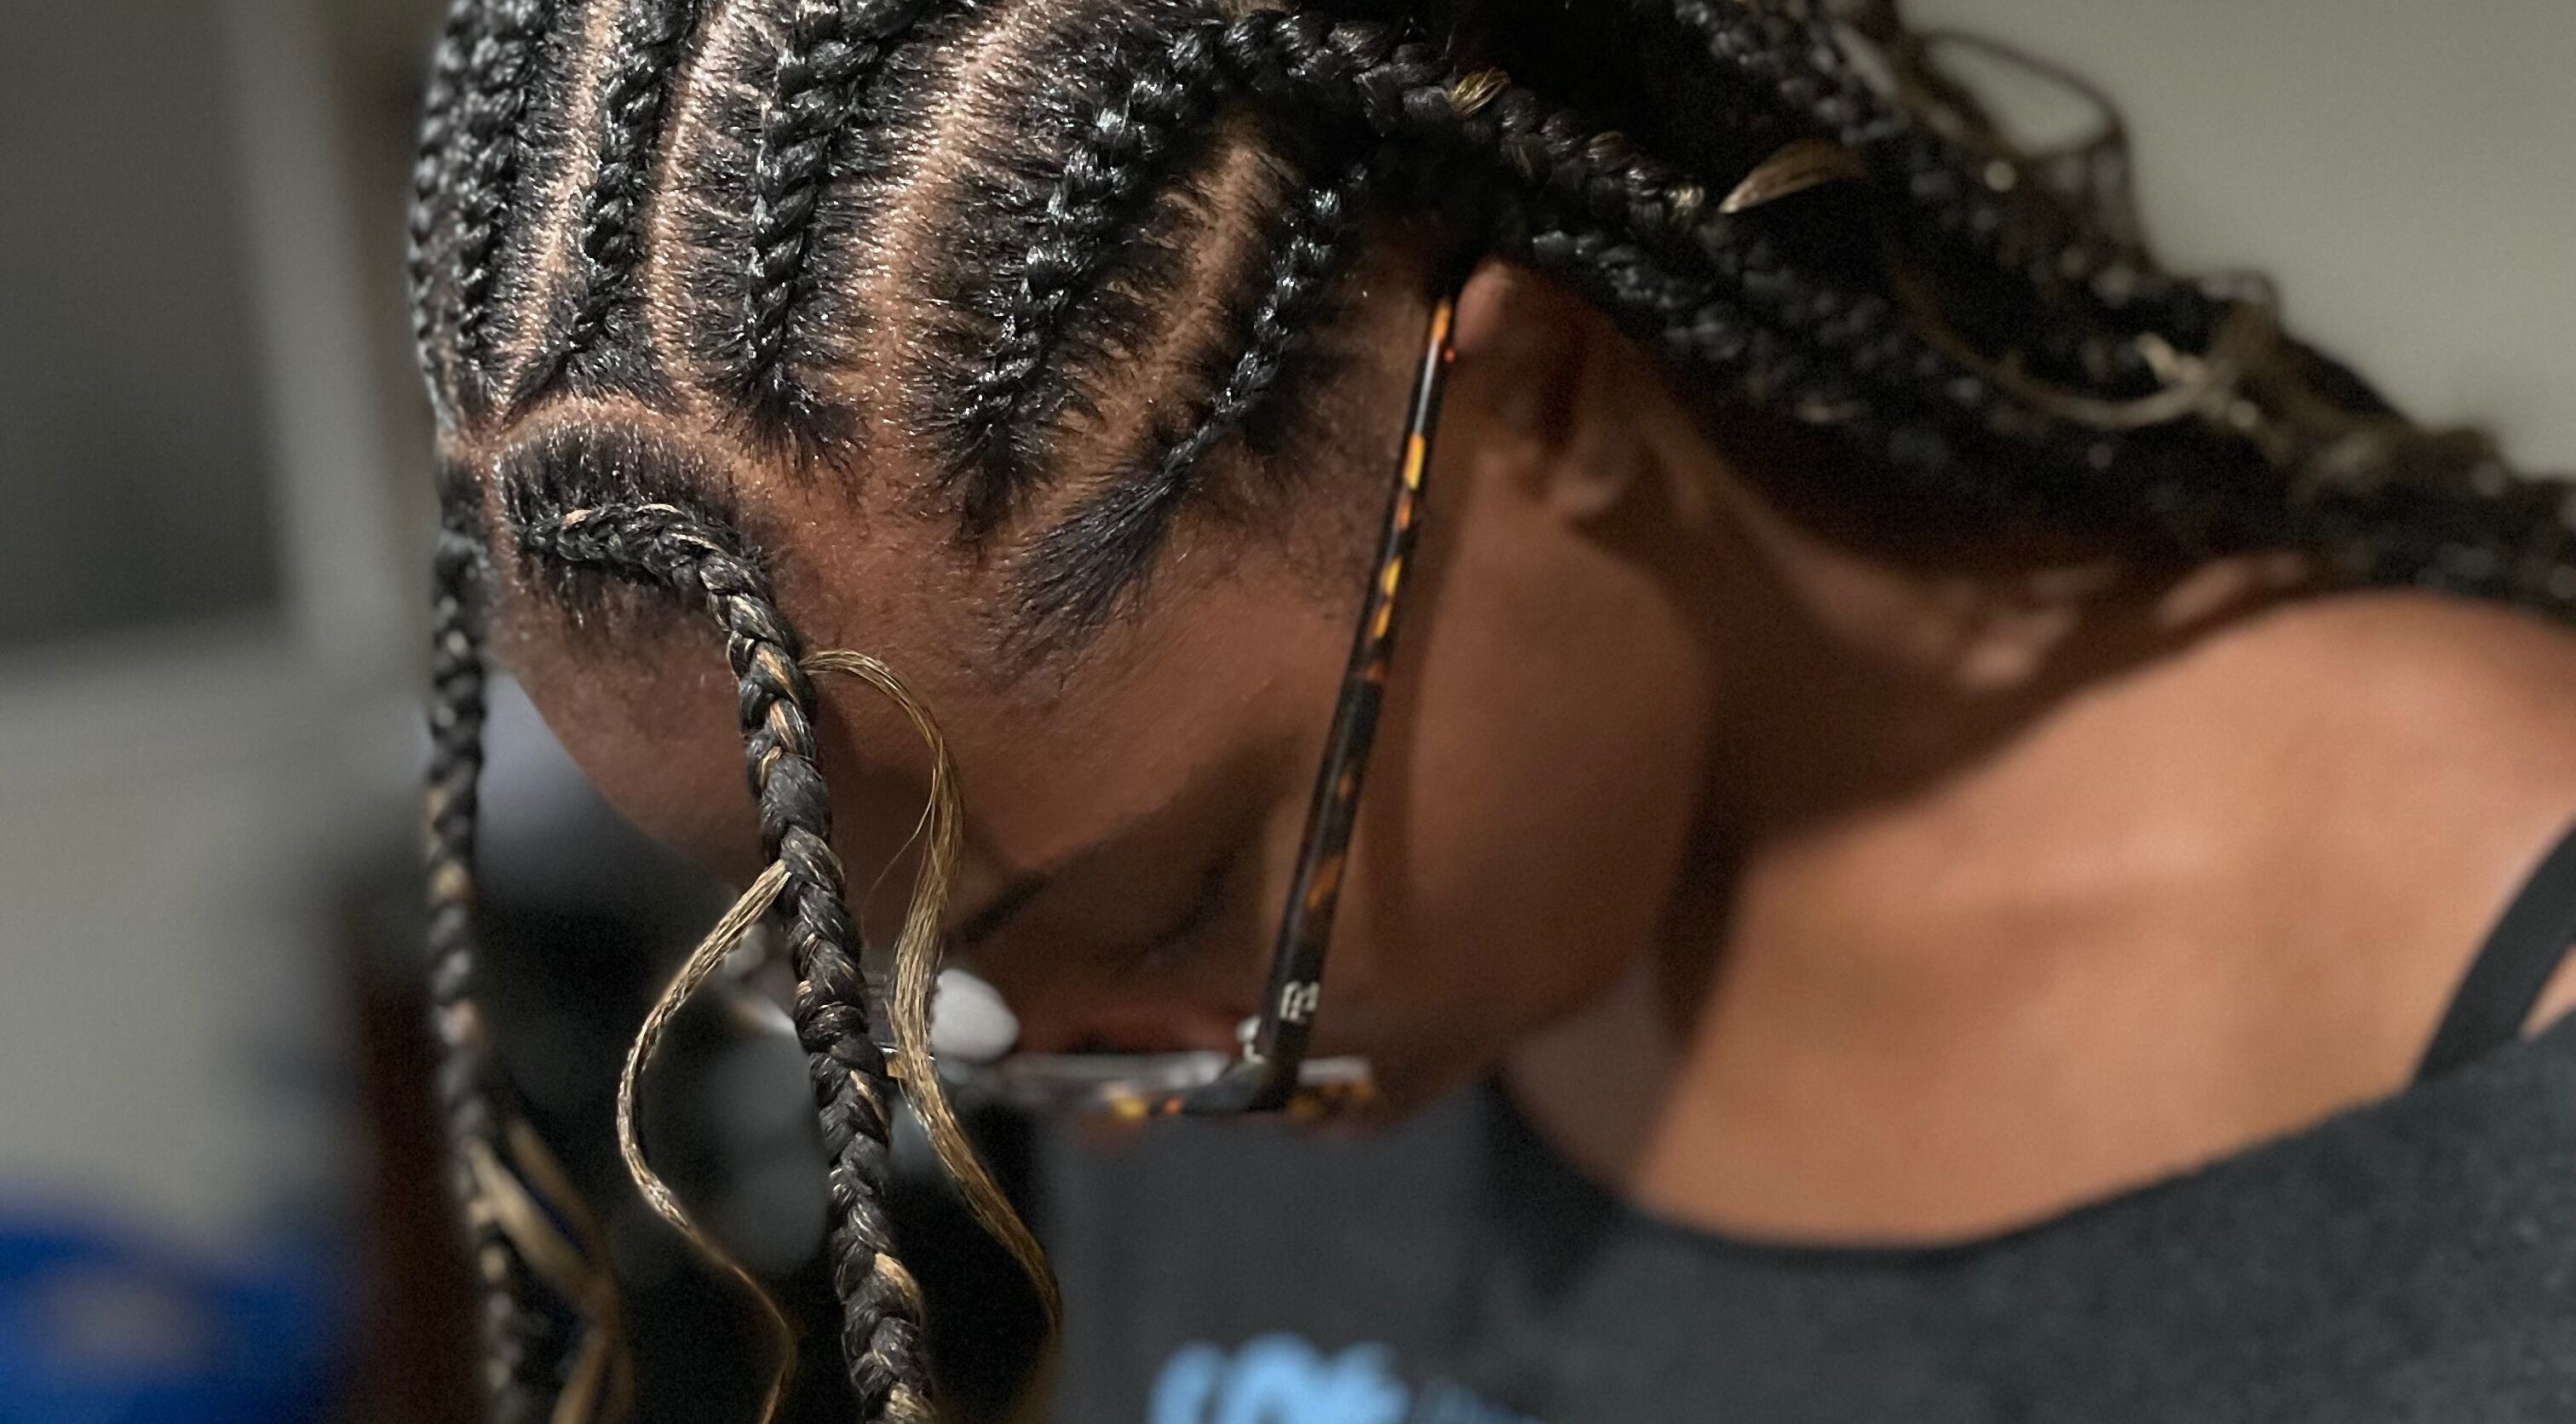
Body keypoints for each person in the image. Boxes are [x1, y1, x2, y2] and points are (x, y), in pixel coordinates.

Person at [405, 0, 2576, 1420]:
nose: (1096, 1080)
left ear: (1542, 408)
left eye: (1169, 907)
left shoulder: (2501, 1062)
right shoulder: (1222, 989)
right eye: (919, 982)